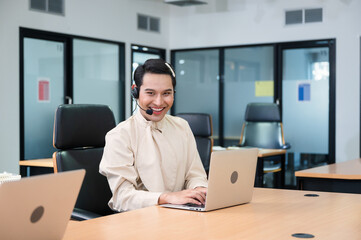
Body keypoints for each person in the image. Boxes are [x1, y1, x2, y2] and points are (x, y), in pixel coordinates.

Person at [99, 58, 208, 212]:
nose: (159, 102)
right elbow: (122, 198)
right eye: (150, 93)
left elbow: (194, 175)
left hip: (182, 215)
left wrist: (200, 190)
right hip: (141, 222)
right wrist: (167, 198)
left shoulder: (181, 126)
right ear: (135, 92)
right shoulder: (120, 135)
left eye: (166, 93)